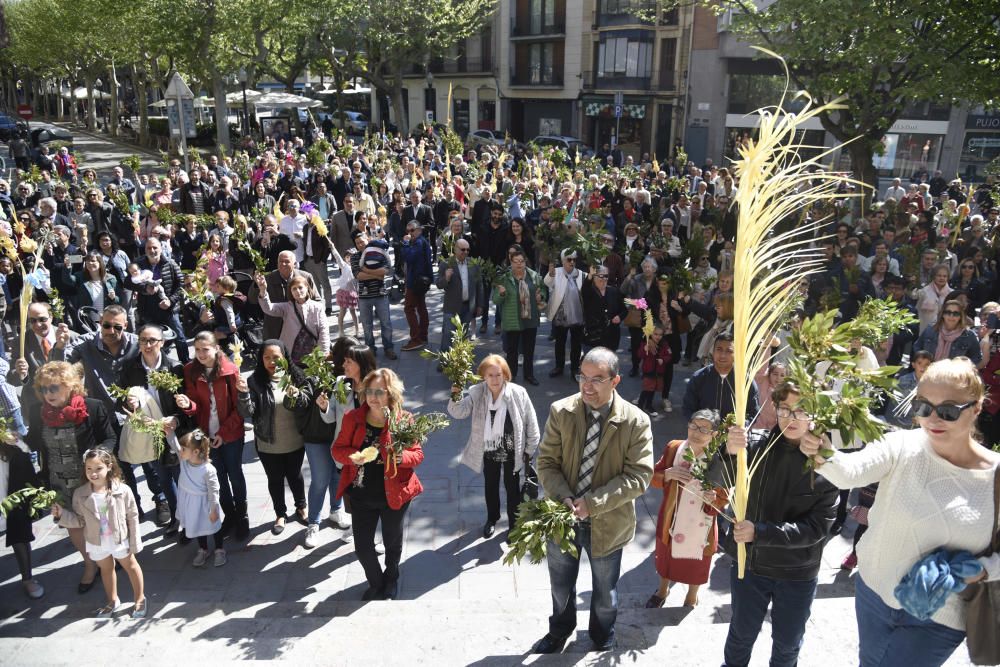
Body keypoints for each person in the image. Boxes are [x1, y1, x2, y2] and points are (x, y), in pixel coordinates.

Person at [800, 358, 1000, 666]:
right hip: (873, 593)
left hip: (940, 615)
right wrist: (824, 452)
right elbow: (850, 472)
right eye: (922, 407)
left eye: (947, 411)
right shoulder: (902, 445)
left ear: (976, 408)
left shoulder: (995, 476)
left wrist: (982, 570)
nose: (933, 419)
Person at [533, 347, 654, 653]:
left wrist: (593, 503)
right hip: (564, 518)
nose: (587, 386)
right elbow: (546, 462)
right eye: (582, 377)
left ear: (615, 381)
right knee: (560, 587)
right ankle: (559, 631)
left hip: (609, 523)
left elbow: (639, 476)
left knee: (605, 593)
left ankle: (602, 635)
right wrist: (566, 498)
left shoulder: (635, 421)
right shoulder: (561, 411)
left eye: (597, 379)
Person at [713, 381, 839, 667]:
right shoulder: (755, 446)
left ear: (817, 415)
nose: (791, 418)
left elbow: (818, 528)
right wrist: (729, 452)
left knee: (787, 643)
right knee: (741, 635)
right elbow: (721, 480)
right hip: (751, 565)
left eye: (801, 410)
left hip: (797, 572)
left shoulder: (828, 465)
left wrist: (761, 532)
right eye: (785, 409)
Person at [332, 368, 424, 600]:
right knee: (362, 547)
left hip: (394, 494)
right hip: (362, 494)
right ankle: (376, 582)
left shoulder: (403, 419)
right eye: (370, 391)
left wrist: (400, 457)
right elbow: (337, 449)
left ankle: (391, 579)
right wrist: (354, 456)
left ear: (390, 394)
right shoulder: (353, 418)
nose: (373, 397)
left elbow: (418, 454)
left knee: (392, 541)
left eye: (380, 392)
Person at [25, 361, 117, 594]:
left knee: (101, 524)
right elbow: (33, 443)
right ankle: (90, 565)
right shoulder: (38, 412)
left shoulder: (92, 407)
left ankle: (109, 560)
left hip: (91, 480)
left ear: (70, 386)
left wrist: (98, 458)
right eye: (44, 389)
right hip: (58, 482)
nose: (48, 394)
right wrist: (15, 439)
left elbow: (109, 438)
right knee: (72, 524)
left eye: (54, 388)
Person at [447, 354, 540, 538]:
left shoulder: (518, 393)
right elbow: (458, 412)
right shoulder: (477, 392)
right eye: (490, 375)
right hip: (488, 451)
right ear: (484, 376)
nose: (495, 379)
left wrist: (529, 450)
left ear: (505, 374)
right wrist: (456, 394)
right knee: (490, 486)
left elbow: (531, 422)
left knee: (512, 489)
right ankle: (492, 519)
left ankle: (514, 524)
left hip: (513, 452)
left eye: (498, 375)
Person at [646, 409, 727, 609]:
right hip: (672, 515)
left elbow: (725, 495)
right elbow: (653, 478)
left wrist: (714, 498)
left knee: (698, 562)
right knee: (667, 555)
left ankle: (692, 596)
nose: (696, 432)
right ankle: (662, 589)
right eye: (693, 426)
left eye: (704, 429)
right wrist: (667, 474)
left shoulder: (720, 458)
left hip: (702, 523)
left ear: (715, 434)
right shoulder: (674, 448)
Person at [51, 449, 146, 618]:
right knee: (106, 569)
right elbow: (79, 520)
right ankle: (112, 600)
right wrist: (61, 515)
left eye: (98, 468)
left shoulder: (122, 490)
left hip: (119, 538)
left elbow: (132, 515)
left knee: (131, 566)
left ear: (109, 467)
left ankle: (140, 598)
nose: (93, 473)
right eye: (89, 469)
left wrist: (134, 540)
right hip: (96, 541)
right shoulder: (80, 494)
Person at [176, 332, 251, 541]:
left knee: (234, 474)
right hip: (205, 435)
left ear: (216, 348)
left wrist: (223, 434)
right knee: (217, 478)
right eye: (197, 349)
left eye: (205, 349)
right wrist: (187, 405)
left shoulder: (230, 370)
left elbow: (239, 409)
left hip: (230, 434)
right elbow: (195, 407)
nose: (200, 354)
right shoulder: (190, 370)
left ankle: (242, 515)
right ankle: (230, 516)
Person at [115, 323, 187, 533]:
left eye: (152, 341)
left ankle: (188, 517)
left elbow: (186, 402)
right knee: (162, 477)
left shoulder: (174, 367)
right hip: (149, 432)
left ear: (162, 343)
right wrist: (128, 403)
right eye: (143, 341)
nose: (147, 345)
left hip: (172, 430)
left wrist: (175, 419)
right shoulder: (130, 367)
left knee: (179, 475)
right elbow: (118, 399)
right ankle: (176, 517)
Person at [302, 343, 374, 548]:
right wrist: (324, 407)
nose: (343, 364)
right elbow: (331, 418)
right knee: (351, 493)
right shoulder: (341, 383)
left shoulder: (374, 387)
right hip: (346, 452)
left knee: (368, 493)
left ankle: (370, 533)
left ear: (360, 364)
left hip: (369, 451)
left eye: (348, 361)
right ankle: (356, 526)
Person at [246, 340, 308, 534]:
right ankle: (280, 513)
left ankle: (301, 507)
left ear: (285, 357)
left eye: (276, 357)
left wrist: (298, 396)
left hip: (295, 440)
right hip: (268, 443)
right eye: (267, 357)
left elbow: (306, 403)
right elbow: (249, 411)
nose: (272, 361)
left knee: (295, 476)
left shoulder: (297, 376)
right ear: (261, 359)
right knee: (275, 479)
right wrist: (242, 395)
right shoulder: (254, 381)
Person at [123, 238, 189, 363]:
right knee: (151, 340)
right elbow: (127, 282)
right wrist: (144, 288)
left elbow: (181, 285)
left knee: (180, 338)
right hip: (148, 310)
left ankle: (185, 365)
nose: (152, 250)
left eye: (155, 247)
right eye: (149, 248)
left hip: (169, 309)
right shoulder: (138, 263)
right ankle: (155, 368)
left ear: (161, 248)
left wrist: (170, 301)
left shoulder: (170, 263)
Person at [255, 270, 329, 365]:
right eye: (294, 289)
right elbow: (268, 308)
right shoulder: (287, 307)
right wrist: (263, 290)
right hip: (292, 353)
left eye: (300, 288)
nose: (298, 291)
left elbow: (324, 330)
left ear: (307, 288)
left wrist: (323, 352)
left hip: (312, 354)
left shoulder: (317, 307)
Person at [682, 333, 759, 423]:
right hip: (703, 433)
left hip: (734, 435)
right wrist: (699, 425)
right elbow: (688, 408)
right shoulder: (699, 377)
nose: (723, 355)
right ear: (713, 352)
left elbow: (753, 412)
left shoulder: (745, 382)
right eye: (719, 349)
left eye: (729, 351)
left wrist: (740, 426)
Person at [1, 441, 44, 598]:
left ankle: (28, 579)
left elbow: (27, 473)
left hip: (12, 499)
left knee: (20, 537)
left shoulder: (13, 448)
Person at [435, 238, 483, 358]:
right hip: (451, 307)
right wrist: (446, 278)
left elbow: (479, 286)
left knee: (463, 336)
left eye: (468, 250)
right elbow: (439, 284)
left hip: (468, 306)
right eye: (463, 249)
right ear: (456, 249)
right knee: (447, 335)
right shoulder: (446, 263)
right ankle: (444, 360)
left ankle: (460, 360)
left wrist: (480, 305)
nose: (465, 252)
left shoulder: (473, 263)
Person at [354, 234, 397, 359]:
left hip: (380, 293)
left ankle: (388, 348)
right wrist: (377, 275)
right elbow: (358, 275)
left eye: (362, 241)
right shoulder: (355, 256)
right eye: (357, 243)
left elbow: (385, 271)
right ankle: (370, 349)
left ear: (367, 240)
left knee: (386, 323)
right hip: (363, 296)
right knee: (367, 326)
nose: (360, 244)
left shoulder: (379, 252)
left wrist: (366, 270)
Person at [545, 249, 585, 379]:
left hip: (577, 315)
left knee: (576, 344)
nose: (572, 262)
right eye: (569, 259)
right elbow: (547, 283)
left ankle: (574, 368)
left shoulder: (581, 274)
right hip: (561, 314)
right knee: (560, 342)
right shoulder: (556, 272)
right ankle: (559, 366)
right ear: (563, 261)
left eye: (574, 259)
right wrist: (551, 274)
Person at [913, 299, 982, 364]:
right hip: (929, 371)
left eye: (955, 313)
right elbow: (917, 347)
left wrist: (963, 368)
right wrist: (922, 362)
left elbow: (977, 357)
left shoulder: (969, 335)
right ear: (943, 314)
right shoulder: (931, 329)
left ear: (960, 316)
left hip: (954, 375)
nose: (951, 316)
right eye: (948, 312)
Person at [400, 222, 433, 351]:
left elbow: (409, 257)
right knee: (421, 307)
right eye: (407, 231)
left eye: (412, 230)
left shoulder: (418, 242)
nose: (409, 233)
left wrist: (406, 243)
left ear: (419, 229)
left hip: (415, 281)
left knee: (409, 308)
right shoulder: (422, 241)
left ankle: (416, 339)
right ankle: (423, 336)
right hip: (421, 280)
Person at [581, 265, 626, 352]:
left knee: (608, 364)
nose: (604, 279)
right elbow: (585, 288)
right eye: (601, 276)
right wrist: (590, 274)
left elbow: (624, 310)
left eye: (606, 276)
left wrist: (619, 317)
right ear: (594, 277)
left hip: (611, 338)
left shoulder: (614, 291)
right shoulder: (589, 292)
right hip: (593, 338)